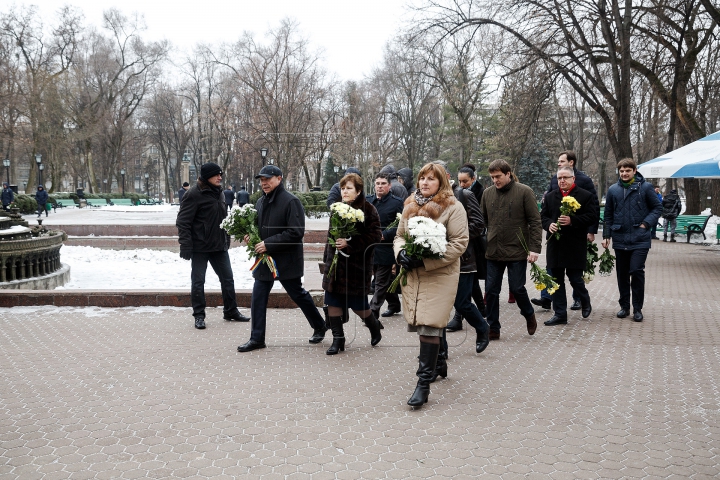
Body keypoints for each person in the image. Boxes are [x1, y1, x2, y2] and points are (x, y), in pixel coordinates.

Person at [393, 162, 468, 407]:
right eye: (422, 178)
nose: (425, 182)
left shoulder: (454, 207)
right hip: (413, 275)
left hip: (439, 275)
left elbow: (458, 243)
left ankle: (422, 385)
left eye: (431, 179)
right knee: (424, 323)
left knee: (429, 326)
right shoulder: (410, 205)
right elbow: (400, 236)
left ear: (441, 183)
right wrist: (401, 253)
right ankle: (439, 362)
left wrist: (426, 260)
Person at [237, 165, 328, 352]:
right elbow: (258, 228)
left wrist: (269, 243)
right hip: (265, 259)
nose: (264, 183)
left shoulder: (291, 201)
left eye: (267, 179)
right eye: (261, 180)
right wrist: (250, 237)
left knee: (298, 295)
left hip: (286, 259)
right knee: (258, 297)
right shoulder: (261, 202)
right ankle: (257, 339)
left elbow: (296, 232)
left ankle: (319, 325)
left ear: (279, 178)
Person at [176, 162, 250, 329]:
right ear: (207, 177)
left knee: (228, 279)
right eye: (216, 175)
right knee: (198, 282)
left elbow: (223, 219)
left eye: (220, 174)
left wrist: (228, 236)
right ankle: (199, 315)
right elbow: (183, 222)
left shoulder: (220, 193)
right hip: (200, 247)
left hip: (219, 246)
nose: (220, 177)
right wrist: (185, 246)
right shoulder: (193, 194)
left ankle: (230, 311)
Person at [436, 162, 490, 379]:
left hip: (464, 260)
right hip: (438, 262)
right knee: (438, 308)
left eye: (436, 177)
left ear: (446, 176)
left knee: (461, 303)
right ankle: (440, 351)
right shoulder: (429, 200)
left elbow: (479, 225)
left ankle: (482, 327)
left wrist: (452, 234)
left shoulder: (464, 195)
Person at [480, 159, 542, 341]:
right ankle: (493, 327)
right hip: (493, 250)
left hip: (516, 249)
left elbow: (535, 221)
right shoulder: (487, 194)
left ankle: (529, 313)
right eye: (492, 177)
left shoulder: (524, 192)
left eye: (498, 176)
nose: (495, 180)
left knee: (517, 287)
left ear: (508, 174)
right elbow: (482, 221)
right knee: (491, 290)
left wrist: (534, 248)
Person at [321, 173, 383, 354]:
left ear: (358, 191)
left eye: (348, 188)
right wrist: (328, 258)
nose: (344, 191)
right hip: (335, 264)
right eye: (342, 188)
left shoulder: (368, 209)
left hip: (356, 266)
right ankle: (338, 339)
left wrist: (350, 243)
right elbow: (330, 236)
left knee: (359, 306)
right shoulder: (336, 208)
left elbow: (375, 236)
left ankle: (374, 326)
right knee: (332, 301)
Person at [532, 150, 599, 311]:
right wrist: (549, 225)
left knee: (575, 278)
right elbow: (543, 216)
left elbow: (592, 216)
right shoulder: (550, 197)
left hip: (575, 244)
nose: (561, 181)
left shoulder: (585, 196)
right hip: (555, 244)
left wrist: (572, 221)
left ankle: (584, 300)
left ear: (573, 178)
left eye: (565, 178)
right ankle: (560, 313)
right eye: (559, 178)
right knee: (556, 280)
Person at [602, 158, 662, 322]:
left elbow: (657, 208)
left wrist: (646, 223)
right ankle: (624, 306)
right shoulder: (614, 190)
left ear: (634, 171)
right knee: (622, 274)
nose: (624, 174)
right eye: (621, 171)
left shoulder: (646, 188)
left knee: (636, 271)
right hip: (620, 237)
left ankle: (637, 308)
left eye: (627, 171)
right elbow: (608, 215)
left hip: (640, 238)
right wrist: (606, 235)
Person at [447, 163, 487, 331]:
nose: (462, 184)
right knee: (471, 285)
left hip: (471, 245)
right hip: (455, 249)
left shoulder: (469, 194)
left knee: (468, 286)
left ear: (473, 179)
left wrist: (458, 235)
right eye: (460, 181)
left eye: (466, 181)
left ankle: (475, 318)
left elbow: (479, 222)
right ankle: (480, 310)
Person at [367, 173, 404, 321]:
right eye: (377, 183)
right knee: (385, 280)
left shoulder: (396, 203)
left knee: (380, 282)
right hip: (370, 248)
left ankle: (372, 312)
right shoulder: (368, 201)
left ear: (389, 186)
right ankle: (394, 304)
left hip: (386, 248)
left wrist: (385, 235)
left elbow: (402, 224)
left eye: (383, 183)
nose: (380, 186)